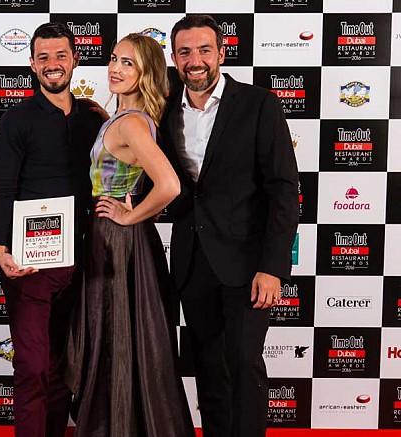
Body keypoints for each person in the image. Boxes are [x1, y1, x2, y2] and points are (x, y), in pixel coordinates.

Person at [162, 15, 299, 437]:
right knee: (208, 366)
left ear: (221, 53)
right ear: (174, 58)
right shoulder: (165, 109)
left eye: (205, 50)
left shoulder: (258, 104)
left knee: (243, 362)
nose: (195, 60)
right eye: (185, 52)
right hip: (192, 260)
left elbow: (283, 190)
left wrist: (272, 267)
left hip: (247, 263)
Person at [63, 33, 194, 437]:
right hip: (119, 240)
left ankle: (115, 425)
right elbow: (122, 154)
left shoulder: (133, 123)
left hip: (116, 240)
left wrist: (129, 215)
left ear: (146, 73)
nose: (116, 68)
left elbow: (169, 185)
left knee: (116, 337)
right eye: (114, 59)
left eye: (128, 63)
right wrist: (106, 117)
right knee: (121, 336)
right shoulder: (128, 119)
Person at [0, 22, 105, 437]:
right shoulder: (16, 119)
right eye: (43, 57)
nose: (52, 64)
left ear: (75, 59)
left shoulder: (94, 119)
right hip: (30, 263)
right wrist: (0, 247)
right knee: (33, 367)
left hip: (85, 259)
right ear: (32, 64)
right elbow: (3, 187)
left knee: (64, 367)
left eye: (60, 55)